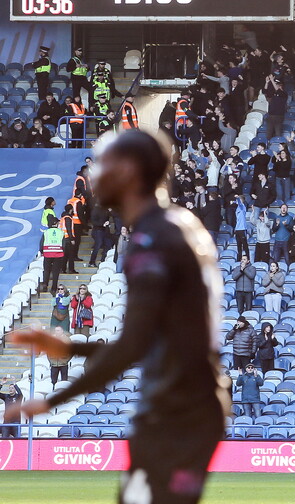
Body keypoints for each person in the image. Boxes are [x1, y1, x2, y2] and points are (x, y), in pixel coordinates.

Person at [6, 129, 229, 504]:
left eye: (103, 164)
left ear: (127, 171)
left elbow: (135, 344)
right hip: (181, 408)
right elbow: (152, 338)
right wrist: (70, 348)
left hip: (180, 412)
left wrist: (51, 400)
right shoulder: (176, 227)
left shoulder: (153, 240)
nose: (94, 176)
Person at [39, 214, 65, 294]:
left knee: (46, 270)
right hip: (58, 254)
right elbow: (64, 244)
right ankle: (54, 288)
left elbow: (41, 243)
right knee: (55, 271)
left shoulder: (46, 232)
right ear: (55, 223)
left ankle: (45, 284)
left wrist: (42, 251)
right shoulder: (61, 232)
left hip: (47, 253)